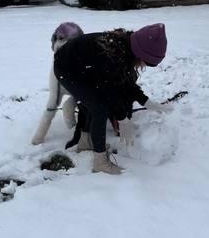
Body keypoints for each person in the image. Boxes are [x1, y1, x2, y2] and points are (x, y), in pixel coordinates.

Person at [54, 23, 172, 175]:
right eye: (147, 62)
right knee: (100, 107)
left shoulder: (126, 47)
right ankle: (100, 162)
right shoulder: (114, 57)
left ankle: (86, 143)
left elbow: (126, 84)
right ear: (141, 53)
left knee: (95, 100)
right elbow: (111, 92)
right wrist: (123, 119)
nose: (144, 65)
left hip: (83, 65)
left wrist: (149, 103)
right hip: (68, 68)